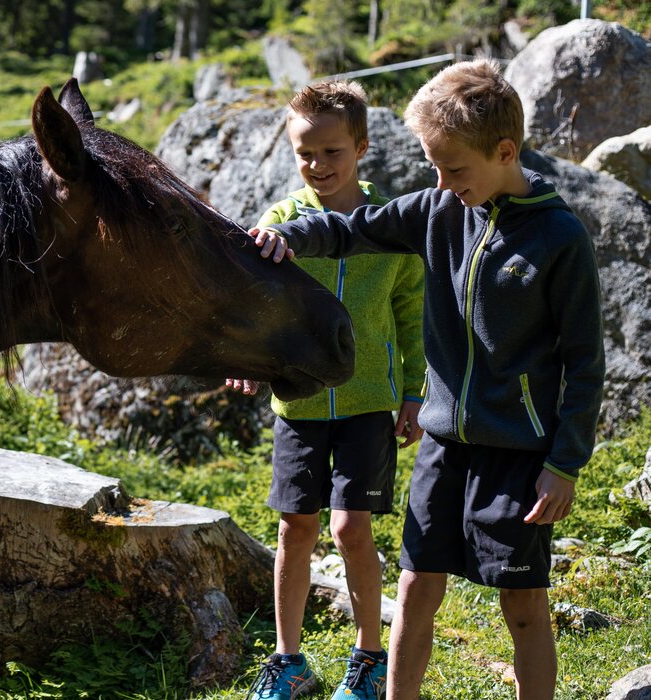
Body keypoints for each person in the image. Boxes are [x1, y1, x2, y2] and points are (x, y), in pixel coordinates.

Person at [252, 60, 605, 700]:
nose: (440, 183)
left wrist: (566, 461)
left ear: (505, 151)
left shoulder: (560, 237)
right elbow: (350, 227)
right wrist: (287, 236)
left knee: (523, 604)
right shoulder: (438, 208)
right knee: (415, 587)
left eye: (454, 168)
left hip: (518, 453)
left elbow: (585, 361)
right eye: (431, 168)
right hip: (443, 445)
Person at [230, 80, 426, 700]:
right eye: (304, 154)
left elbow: (410, 312)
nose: (317, 166)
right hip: (299, 400)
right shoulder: (280, 223)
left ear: (361, 146)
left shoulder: (392, 225)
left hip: (370, 401)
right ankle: (288, 661)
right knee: (295, 527)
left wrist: (414, 393)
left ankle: (368, 658)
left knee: (350, 528)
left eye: (332, 152)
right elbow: (248, 298)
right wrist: (247, 355)